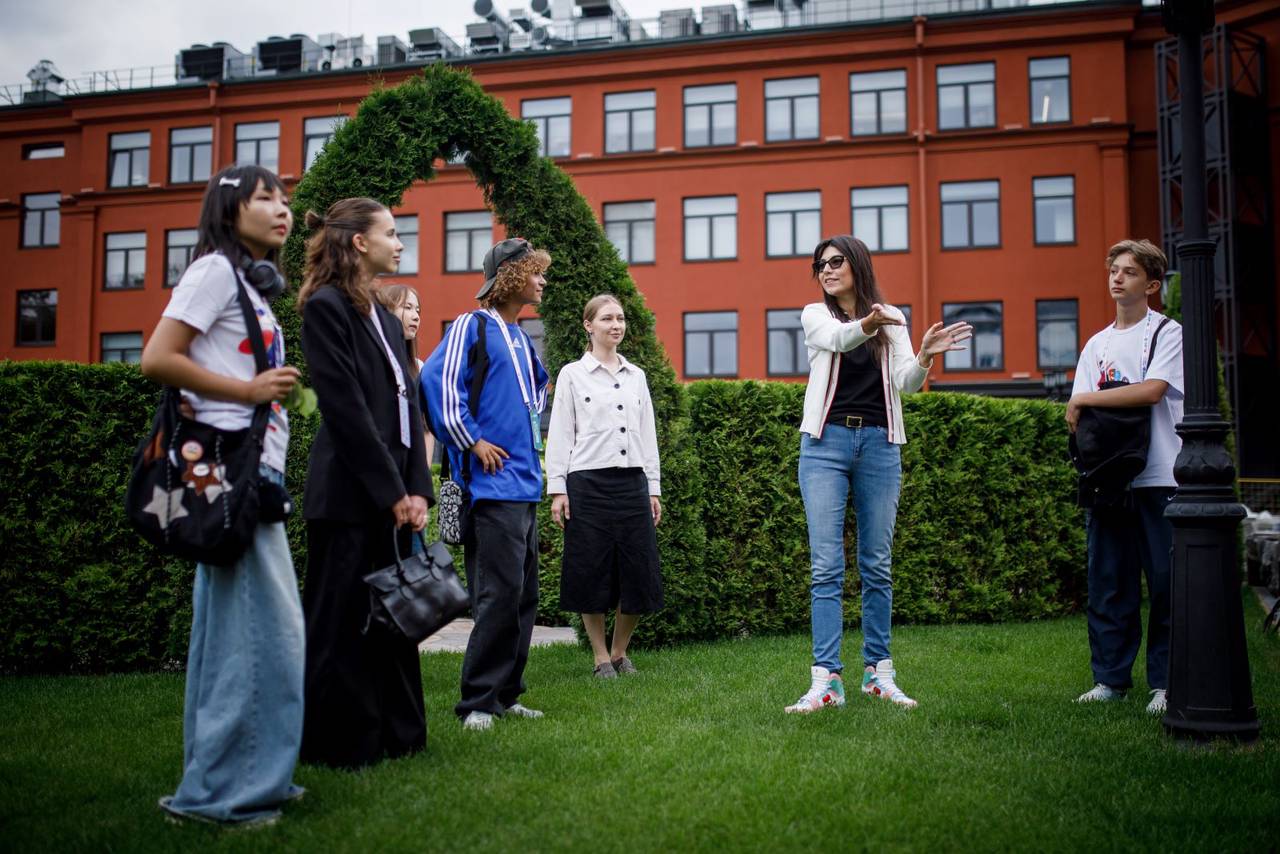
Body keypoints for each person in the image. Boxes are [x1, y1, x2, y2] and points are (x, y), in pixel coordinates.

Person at [140, 164, 305, 826]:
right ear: (227, 209)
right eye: (264, 199)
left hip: (247, 475)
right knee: (268, 638)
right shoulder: (214, 272)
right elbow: (157, 357)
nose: (281, 209)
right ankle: (230, 796)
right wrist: (249, 392)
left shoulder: (250, 284)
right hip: (230, 475)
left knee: (236, 639)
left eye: (285, 199)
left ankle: (225, 780)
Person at [787, 234, 972, 714]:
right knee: (826, 567)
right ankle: (826, 681)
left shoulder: (892, 317)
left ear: (857, 264)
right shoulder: (816, 315)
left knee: (877, 565)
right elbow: (838, 338)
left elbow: (905, 383)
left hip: (880, 446)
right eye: (819, 265)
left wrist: (925, 355)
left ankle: (878, 675)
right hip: (824, 444)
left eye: (835, 261)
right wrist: (870, 323)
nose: (825, 270)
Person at [296, 197, 433, 768]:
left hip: (393, 496)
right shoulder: (325, 307)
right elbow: (347, 410)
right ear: (358, 242)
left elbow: (409, 405)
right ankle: (339, 746)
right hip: (349, 497)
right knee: (339, 627)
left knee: (394, 622)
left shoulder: (381, 311)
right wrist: (390, 491)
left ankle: (399, 737)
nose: (400, 243)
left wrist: (418, 487)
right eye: (392, 233)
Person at [422, 237, 551, 732]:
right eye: (534, 272)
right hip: (491, 488)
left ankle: (507, 694)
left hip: (525, 485)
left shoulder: (520, 336)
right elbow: (436, 383)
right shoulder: (469, 326)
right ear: (511, 276)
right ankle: (476, 702)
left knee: (522, 597)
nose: (542, 280)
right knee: (496, 595)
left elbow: (535, 388)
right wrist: (472, 440)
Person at [1066, 239, 1182, 716]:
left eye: (1129, 272)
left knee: (1166, 581)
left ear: (1151, 284)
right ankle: (1110, 678)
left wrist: (1091, 398)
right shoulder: (1098, 344)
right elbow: (1075, 416)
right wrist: (1086, 402)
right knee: (1109, 581)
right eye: (1114, 270)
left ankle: (1167, 682)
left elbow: (1153, 390)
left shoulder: (1167, 333)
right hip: (1109, 479)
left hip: (1160, 476)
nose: (1117, 278)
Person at [545, 294, 662, 679]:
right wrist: (558, 489)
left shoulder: (637, 376)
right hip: (587, 483)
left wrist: (653, 487)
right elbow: (560, 433)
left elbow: (648, 435)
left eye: (621, 318)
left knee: (638, 571)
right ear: (588, 326)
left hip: (632, 482)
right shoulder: (571, 375)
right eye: (607, 319)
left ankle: (619, 652)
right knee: (589, 570)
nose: (616, 325)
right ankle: (599, 657)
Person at [375, 283, 436, 491]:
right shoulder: (373, 362)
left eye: (418, 310)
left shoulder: (419, 368)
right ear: (387, 311)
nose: (416, 316)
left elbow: (426, 428)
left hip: (410, 479)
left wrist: (422, 479)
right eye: (407, 308)